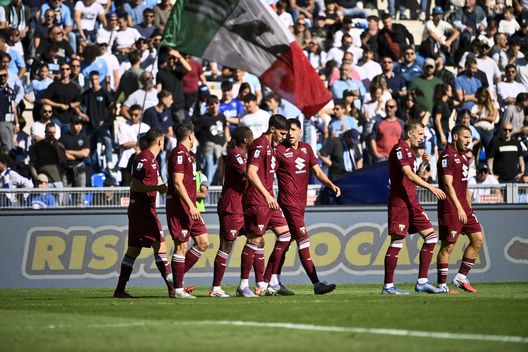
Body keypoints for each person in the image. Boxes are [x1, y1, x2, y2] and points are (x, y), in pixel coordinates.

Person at [274, 119, 340, 294]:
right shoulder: (279, 151)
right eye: (287, 130)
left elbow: (318, 172)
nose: (289, 133)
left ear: (300, 132)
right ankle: (317, 283)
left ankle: (272, 281)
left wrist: (330, 184)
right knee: (303, 240)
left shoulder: (307, 149)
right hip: (287, 203)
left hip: (300, 204)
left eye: (293, 130)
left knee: (285, 242)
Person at [382, 119, 446, 295]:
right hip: (400, 203)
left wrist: (424, 165)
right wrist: (431, 187)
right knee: (397, 241)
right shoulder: (399, 149)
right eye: (420, 134)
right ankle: (388, 286)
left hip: (412, 201)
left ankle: (422, 282)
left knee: (431, 237)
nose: (422, 138)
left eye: (423, 135)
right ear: (410, 133)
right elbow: (408, 175)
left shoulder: (410, 152)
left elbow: (414, 178)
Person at [236, 114, 290, 298]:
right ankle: (243, 285)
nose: (284, 137)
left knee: (285, 235)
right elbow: (251, 172)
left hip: (269, 201)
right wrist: (267, 195)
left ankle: (265, 282)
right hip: (258, 200)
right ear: (272, 129)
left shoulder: (272, 147)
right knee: (254, 240)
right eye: (282, 133)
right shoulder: (259, 144)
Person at [113, 128, 171, 298]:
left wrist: (168, 189)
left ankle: (119, 290)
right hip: (142, 210)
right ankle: (174, 288)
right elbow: (135, 185)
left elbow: (160, 184)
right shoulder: (144, 158)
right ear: (160, 141)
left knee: (133, 250)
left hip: (144, 209)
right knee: (160, 246)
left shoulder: (153, 159)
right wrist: (157, 188)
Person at [436, 124, 484, 293]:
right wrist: (459, 208)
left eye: (469, 138)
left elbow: (463, 188)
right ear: (455, 137)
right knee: (448, 246)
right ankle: (442, 285)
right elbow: (448, 186)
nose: (468, 141)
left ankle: (460, 278)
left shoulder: (463, 157)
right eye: (465, 137)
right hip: (451, 208)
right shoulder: (447, 156)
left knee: (478, 239)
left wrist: (468, 208)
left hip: (465, 208)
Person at [166, 123, 209, 299]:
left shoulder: (188, 155)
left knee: (203, 242)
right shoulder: (178, 153)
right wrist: (191, 206)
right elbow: (177, 182)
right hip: (181, 207)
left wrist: (193, 206)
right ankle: (177, 289)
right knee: (181, 246)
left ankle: (175, 277)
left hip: (191, 208)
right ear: (191, 136)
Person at [210, 126, 253, 298]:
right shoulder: (236, 153)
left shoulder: (241, 154)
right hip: (231, 206)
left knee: (257, 240)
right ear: (245, 140)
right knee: (226, 246)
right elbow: (248, 174)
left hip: (241, 207)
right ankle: (216, 288)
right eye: (251, 137)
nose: (253, 140)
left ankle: (250, 284)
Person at [29, 123, 66, 188]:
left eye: (54, 133)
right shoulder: (38, 146)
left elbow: (63, 161)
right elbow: (32, 164)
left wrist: (56, 145)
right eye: (50, 132)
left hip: (58, 181)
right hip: (43, 181)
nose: (52, 135)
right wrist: (36, 178)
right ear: (45, 132)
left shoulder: (59, 146)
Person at [59, 115, 89, 190]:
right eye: (76, 124)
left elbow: (85, 153)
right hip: (66, 170)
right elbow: (62, 154)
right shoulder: (64, 137)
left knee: (79, 196)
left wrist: (69, 151)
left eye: (80, 124)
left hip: (80, 169)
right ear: (71, 124)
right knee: (64, 196)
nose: (79, 126)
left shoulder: (84, 137)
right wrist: (78, 154)